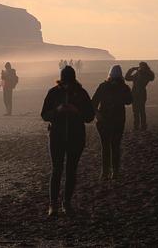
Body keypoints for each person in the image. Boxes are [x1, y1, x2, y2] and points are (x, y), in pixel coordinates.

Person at [41, 66, 94, 217]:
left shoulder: (81, 93)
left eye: (69, 82)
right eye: (65, 82)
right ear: (61, 80)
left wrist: (76, 111)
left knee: (71, 171)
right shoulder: (53, 92)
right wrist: (57, 110)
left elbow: (90, 116)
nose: (67, 86)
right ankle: (53, 205)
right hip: (56, 137)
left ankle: (67, 203)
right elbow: (44, 114)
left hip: (76, 137)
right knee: (56, 170)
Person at [91, 65, 132, 180]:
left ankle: (105, 172)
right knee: (115, 146)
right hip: (117, 120)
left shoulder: (103, 86)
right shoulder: (123, 87)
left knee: (106, 147)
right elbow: (129, 101)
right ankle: (115, 171)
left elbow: (93, 102)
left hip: (105, 120)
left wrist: (97, 114)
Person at [125, 62, 155, 131]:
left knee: (137, 111)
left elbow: (127, 78)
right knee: (141, 110)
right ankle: (142, 126)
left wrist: (132, 69)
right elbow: (127, 78)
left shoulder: (140, 75)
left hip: (137, 93)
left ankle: (137, 126)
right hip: (140, 93)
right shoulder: (145, 75)